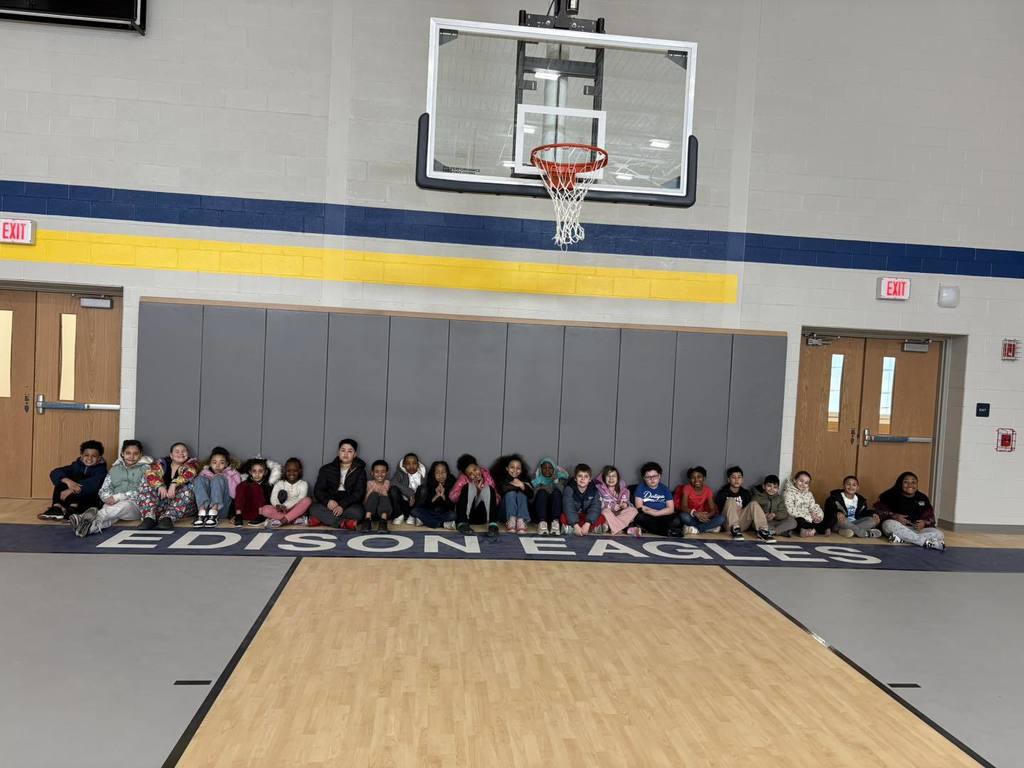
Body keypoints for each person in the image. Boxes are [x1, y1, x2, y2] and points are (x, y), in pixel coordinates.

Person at [67, 439, 150, 537]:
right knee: (109, 516)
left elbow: (144, 490)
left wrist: (118, 497)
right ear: (122, 454)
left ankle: (82, 518)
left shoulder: (147, 469)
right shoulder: (114, 469)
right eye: (128, 453)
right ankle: (86, 529)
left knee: (123, 506)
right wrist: (107, 498)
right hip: (113, 503)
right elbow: (104, 488)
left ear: (140, 455)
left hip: (135, 505)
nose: (131, 457)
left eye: (135, 454)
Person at [38, 440, 108, 521]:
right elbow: (55, 472)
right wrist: (68, 481)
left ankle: (74, 509)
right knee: (62, 478)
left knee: (83, 481)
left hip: (89, 501)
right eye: (86, 455)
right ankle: (57, 508)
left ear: (99, 458)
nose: (89, 458)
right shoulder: (76, 466)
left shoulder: (101, 470)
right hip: (71, 498)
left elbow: (94, 484)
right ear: (81, 456)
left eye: (94, 456)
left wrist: (72, 489)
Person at [876, 471, 945, 551]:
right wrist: (895, 516)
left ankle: (903, 540)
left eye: (913, 482)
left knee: (940, 534)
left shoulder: (922, 498)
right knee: (888, 524)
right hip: (898, 528)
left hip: (917, 530)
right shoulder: (888, 495)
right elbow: (879, 512)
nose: (910, 485)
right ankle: (925, 542)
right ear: (900, 483)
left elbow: (931, 518)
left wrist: (924, 522)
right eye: (906, 482)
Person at [137, 442, 198, 529]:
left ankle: (168, 518)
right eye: (177, 451)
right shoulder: (162, 464)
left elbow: (189, 473)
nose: (181, 453)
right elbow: (150, 473)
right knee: (146, 481)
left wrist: (174, 484)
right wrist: (160, 485)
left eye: (183, 451)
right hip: (162, 505)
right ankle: (149, 517)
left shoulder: (192, 464)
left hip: (182, 507)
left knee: (187, 486)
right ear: (171, 455)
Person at [310, 438, 367, 529]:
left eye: (350, 451)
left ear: (355, 454)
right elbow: (318, 490)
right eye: (343, 450)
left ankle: (325, 520)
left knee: (358, 513)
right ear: (338, 452)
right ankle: (343, 523)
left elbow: (358, 493)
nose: (345, 454)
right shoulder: (326, 469)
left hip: (349, 503)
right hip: (331, 501)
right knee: (313, 509)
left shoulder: (360, 471)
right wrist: (328, 501)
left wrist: (342, 506)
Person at [715, 466, 775, 542]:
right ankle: (735, 529)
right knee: (730, 500)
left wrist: (762, 515)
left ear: (742, 479)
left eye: (739, 477)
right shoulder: (722, 493)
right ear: (728, 480)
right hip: (728, 523)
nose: (737, 480)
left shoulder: (745, 493)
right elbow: (720, 513)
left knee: (754, 503)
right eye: (733, 477)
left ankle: (763, 531)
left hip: (741, 524)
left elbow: (749, 512)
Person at [451, 453, 500, 536]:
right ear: (466, 475)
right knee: (469, 486)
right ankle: (462, 523)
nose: (475, 474)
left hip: (482, 515)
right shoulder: (463, 479)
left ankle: (493, 525)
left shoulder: (486, 475)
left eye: (475, 469)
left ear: (478, 467)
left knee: (488, 488)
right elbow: (452, 497)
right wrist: (474, 490)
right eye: (470, 474)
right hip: (468, 515)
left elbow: (497, 500)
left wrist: (481, 491)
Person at [193, 446, 242, 528]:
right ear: (210, 463)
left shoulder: (233, 473)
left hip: (222, 508)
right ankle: (201, 513)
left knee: (218, 478)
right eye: (214, 462)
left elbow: (235, 495)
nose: (218, 465)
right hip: (206, 510)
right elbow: (199, 492)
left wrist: (224, 476)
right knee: (199, 479)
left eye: (222, 463)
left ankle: (214, 513)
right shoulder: (204, 473)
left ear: (227, 464)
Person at [261, 457, 312, 528]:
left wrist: (286, 506)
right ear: (285, 471)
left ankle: (282, 521)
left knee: (307, 500)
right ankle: (294, 520)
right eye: (288, 470)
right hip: (280, 509)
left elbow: (300, 499)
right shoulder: (279, 483)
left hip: (295, 510)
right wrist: (277, 505)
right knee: (264, 510)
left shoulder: (303, 484)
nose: (291, 473)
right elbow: (273, 497)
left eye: (295, 471)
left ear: (300, 471)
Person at [673, 465, 724, 535]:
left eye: (699, 477)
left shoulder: (708, 490)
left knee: (721, 518)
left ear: (704, 478)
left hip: (704, 518)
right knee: (683, 516)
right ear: (689, 479)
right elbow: (683, 506)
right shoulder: (687, 488)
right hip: (692, 516)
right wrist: (695, 513)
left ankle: (696, 529)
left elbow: (713, 509)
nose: (696, 480)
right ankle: (708, 528)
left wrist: (708, 515)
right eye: (692, 478)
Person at [632, 462, 678, 537]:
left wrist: (656, 513)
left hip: (663, 515)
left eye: (655, 476)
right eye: (648, 477)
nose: (652, 479)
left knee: (676, 521)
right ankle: (666, 531)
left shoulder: (665, 489)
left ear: (659, 476)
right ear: (644, 478)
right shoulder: (641, 488)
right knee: (639, 518)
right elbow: (639, 507)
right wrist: (653, 513)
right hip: (647, 515)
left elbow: (671, 509)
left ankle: (652, 529)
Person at [492, 454, 534, 534]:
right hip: (505, 513)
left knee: (521, 494)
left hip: (521, 513)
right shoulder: (502, 478)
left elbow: (531, 495)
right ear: (507, 469)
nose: (515, 470)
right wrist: (521, 486)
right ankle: (511, 520)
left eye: (518, 468)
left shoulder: (524, 478)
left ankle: (521, 521)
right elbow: (503, 490)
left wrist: (521, 484)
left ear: (521, 470)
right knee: (511, 493)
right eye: (512, 467)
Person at [412, 460, 457, 529]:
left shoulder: (452, 482)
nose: (441, 475)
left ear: (447, 472)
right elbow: (426, 505)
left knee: (453, 515)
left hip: (444, 512)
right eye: (437, 473)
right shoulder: (430, 482)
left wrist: (443, 496)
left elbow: (451, 507)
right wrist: (436, 496)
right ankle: (442, 524)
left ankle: (425, 521)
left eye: (443, 472)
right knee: (414, 511)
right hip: (430, 511)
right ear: (433, 474)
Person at [561, 463, 603, 535]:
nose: (583, 479)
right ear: (575, 478)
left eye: (586, 476)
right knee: (563, 516)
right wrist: (575, 525)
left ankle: (584, 528)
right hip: (574, 516)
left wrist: (588, 523)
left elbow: (595, 507)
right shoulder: (569, 489)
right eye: (580, 476)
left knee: (601, 516)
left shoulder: (594, 490)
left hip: (586, 517)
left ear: (590, 479)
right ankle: (578, 528)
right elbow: (568, 507)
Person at [532, 455, 568, 534]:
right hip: (540, 514)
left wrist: (555, 481)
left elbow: (563, 493)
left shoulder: (559, 479)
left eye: (550, 468)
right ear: (541, 469)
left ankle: (555, 524)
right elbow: (532, 498)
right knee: (542, 492)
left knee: (556, 492)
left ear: (554, 469)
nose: (547, 470)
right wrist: (541, 488)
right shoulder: (537, 480)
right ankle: (542, 524)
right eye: (545, 468)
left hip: (555, 512)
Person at [782, 470, 825, 538]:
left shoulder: (808, 494)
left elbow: (813, 506)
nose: (803, 484)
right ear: (794, 480)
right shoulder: (788, 493)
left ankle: (811, 530)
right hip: (796, 518)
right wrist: (809, 516)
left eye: (806, 483)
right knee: (799, 521)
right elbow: (790, 510)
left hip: (809, 518)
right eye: (801, 481)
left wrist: (817, 516)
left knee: (824, 520)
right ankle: (815, 529)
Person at [595, 465, 636, 535]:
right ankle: (618, 528)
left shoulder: (623, 489)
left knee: (633, 510)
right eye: (608, 476)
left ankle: (609, 525)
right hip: (608, 514)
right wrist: (612, 507)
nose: (611, 479)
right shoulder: (599, 489)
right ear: (604, 478)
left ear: (618, 478)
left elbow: (627, 502)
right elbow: (599, 504)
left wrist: (625, 504)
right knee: (605, 511)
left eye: (613, 476)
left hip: (619, 514)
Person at [390, 452, 426, 526]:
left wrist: (414, 496)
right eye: (408, 464)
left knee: (424, 489)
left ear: (418, 465)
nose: (411, 466)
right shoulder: (400, 473)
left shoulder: (422, 475)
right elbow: (392, 482)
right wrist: (410, 493)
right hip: (403, 504)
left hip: (416, 504)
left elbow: (424, 493)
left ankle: (413, 515)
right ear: (404, 465)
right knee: (393, 489)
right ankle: (399, 515)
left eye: (414, 463)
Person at [235, 458, 273, 526]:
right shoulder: (244, 484)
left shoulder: (268, 486)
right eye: (254, 471)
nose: (257, 474)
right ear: (250, 472)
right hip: (245, 511)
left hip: (261, 512)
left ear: (265, 472)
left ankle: (261, 517)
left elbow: (269, 501)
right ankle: (238, 515)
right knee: (241, 485)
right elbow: (239, 498)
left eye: (260, 471)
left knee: (255, 486)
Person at [364, 459, 393, 531]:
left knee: (384, 496)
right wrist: (369, 492)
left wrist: (385, 494)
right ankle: (367, 522)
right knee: (374, 494)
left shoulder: (388, 483)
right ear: (372, 473)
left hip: (384, 514)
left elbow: (390, 502)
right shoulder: (369, 483)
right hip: (370, 513)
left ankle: (383, 524)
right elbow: (364, 502)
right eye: (376, 472)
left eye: (383, 472)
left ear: (387, 473)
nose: (380, 474)